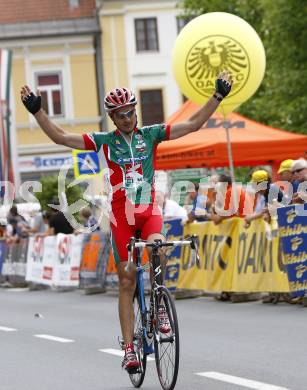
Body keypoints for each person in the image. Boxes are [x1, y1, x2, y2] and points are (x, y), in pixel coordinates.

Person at [21, 71, 232, 372]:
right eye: (120, 115)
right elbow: (60, 137)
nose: (126, 119)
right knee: (126, 279)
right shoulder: (104, 141)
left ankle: (159, 307)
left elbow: (194, 124)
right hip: (121, 215)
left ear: (135, 111)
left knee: (157, 247)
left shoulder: (152, 134)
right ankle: (130, 347)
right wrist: (37, 111)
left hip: (148, 209)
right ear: (112, 117)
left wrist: (218, 95)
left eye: (130, 113)